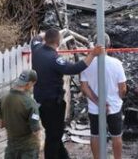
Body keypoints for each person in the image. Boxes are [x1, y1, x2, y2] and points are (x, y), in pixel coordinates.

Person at [31, 29, 102, 159]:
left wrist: (45, 35)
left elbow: (35, 38)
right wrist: (92, 54)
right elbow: (74, 68)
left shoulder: (36, 50)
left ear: (46, 39)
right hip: (53, 103)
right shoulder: (54, 59)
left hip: (41, 101)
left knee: (55, 133)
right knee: (54, 137)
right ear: (58, 42)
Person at [79, 34, 126, 159]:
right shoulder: (116, 64)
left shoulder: (86, 64)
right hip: (114, 106)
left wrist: (98, 102)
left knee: (95, 135)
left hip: (95, 108)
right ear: (109, 45)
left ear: (94, 45)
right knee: (116, 136)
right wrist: (119, 97)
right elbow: (123, 88)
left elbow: (84, 87)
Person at [0, 69, 40, 159]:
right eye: (33, 85)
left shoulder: (3, 99)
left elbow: (0, 124)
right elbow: (35, 130)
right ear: (29, 84)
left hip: (11, 147)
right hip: (28, 149)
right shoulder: (30, 103)